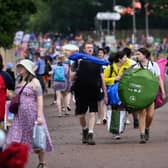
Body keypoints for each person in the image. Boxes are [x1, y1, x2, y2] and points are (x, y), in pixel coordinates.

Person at [6, 59, 53, 167]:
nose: (19, 69)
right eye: (18, 67)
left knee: (38, 139)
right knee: (13, 138)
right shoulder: (19, 81)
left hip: (33, 114)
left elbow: (40, 99)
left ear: (27, 69)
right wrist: (10, 95)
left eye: (21, 67)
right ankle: (17, 162)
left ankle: (42, 162)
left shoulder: (35, 82)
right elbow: (17, 96)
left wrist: (40, 116)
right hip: (19, 116)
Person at [70, 41, 107, 145]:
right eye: (88, 47)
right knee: (81, 115)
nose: (90, 49)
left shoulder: (97, 61)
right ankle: (85, 129)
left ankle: (90, 134)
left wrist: (105, 94)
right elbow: (71, 76)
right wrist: (78, 69)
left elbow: (102, 78)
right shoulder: (77, 61)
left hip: (93, 90)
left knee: (92, 112)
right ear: (84, 49)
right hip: (80, 91)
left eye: (91, 47)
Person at [133, 48, 166, 143]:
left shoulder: (153, 65)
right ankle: (142, 135)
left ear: (144, 55)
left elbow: (159, 78)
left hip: (151, 93)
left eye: (138, 54)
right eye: (137, 54)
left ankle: (147, 128)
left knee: (150, 115)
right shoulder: (136, 67)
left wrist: (163, 92)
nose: (137, 56)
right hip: (140, 93)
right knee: (142, 113)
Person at [104, 50, 135, 139]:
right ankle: (115, 130)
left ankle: (119, 128)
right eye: (124, 57)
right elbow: (104, 80)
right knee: (114, 109)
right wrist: (115, 79)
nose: (126, 58)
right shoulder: (109, 68)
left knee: (122, 109)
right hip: (113, 93)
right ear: (119, 59)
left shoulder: (127, 66)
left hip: (123, 92)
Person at [0, 55, 15, 124]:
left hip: (2, 114)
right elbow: (12, 88)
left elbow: (12, 89)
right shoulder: (5, 75)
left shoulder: (4, 75)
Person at [96, 48, 107, 125]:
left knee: (105, 101)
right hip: (98, 85)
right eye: (99, 53)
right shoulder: (95, 63)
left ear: (104, 54)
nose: (100, 54)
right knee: (99, 103)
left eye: (101, 53)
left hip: (107, 84)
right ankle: (99, 118)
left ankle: (104, 117)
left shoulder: (107, 63)